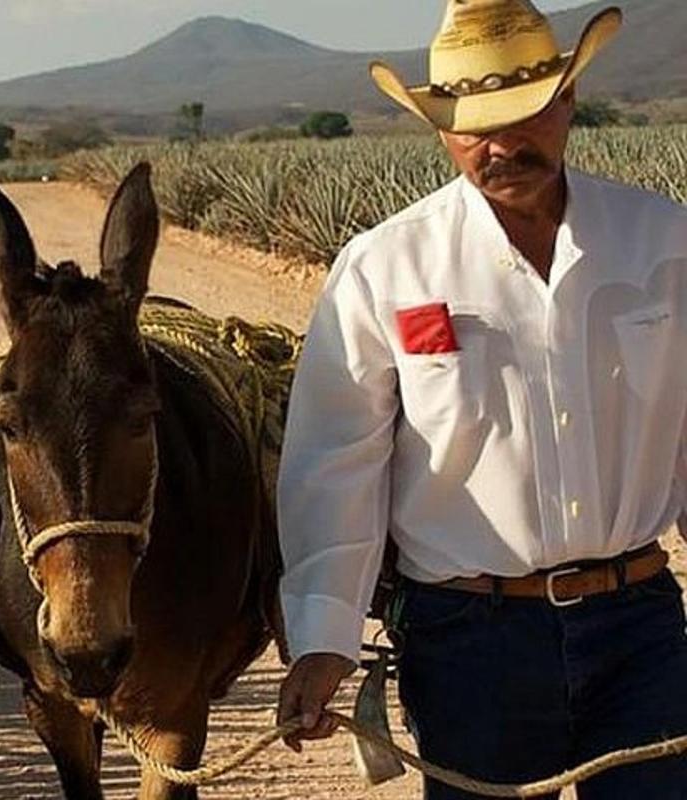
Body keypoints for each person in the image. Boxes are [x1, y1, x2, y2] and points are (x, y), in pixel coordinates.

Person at [274, 1, 687, 797]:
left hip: (640, 628)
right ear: (440, 131)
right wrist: (324, 638)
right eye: (471, 127)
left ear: (567, 102)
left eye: (525, 115)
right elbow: (338, 459)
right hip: (469, 642)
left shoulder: (665, 242)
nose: (500, 146)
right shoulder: (383, 269)